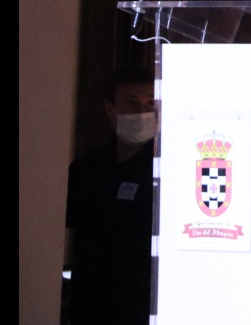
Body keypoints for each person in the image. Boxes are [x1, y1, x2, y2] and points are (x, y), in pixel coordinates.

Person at [64, 66, 158, 325]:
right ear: (110, 109)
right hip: (89, 308)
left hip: (142, 309)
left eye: (150, 103)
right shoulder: (86, 169)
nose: (141, 113)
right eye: (131, 103)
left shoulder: (165, 173)